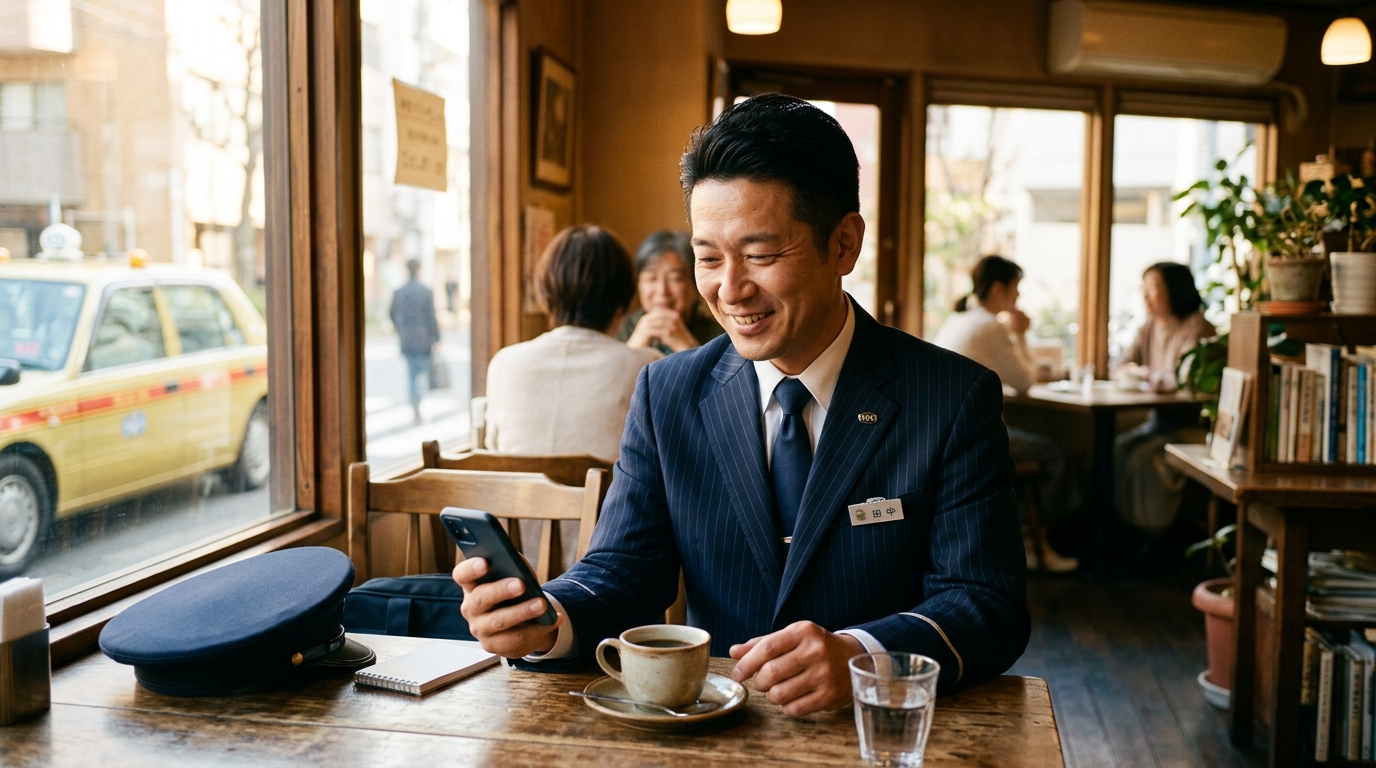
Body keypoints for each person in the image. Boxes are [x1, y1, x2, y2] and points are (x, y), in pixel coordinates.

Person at [454, 94, 1028, 715]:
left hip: (881, 734)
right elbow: (626, 566)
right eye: (708, 257)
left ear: (844, 244)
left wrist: (865, 656)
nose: (730, 289)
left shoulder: (950, 396)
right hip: (714, 733)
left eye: (760, 254)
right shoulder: (667, 392)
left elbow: (985, 602)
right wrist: (549, 619)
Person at [932, 255, 1080, 573]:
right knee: (1054, 454)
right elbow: (1025, 382)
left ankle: (1028, 538)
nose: (1018, 297)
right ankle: (1033, 541)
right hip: (968, 436)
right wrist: (1022, 334)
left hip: (942, 432)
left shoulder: (960, 318)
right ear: (999, 288)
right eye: (1016, 288)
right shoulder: (988, 325)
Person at [483, 224, 660, 463]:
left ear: (546, 295)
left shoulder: (504, 363)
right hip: (607, 501)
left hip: (518, 500)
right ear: (623, 302)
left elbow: (494, 453)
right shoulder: (648, 368)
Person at [1114, 262, 1216, 533]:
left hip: (1190, 426)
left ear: (1175, 290)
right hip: (1159, 422)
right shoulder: (1149, 327)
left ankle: (1154, 535)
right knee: (1119, 448)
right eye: (1144, 289)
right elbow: (1121, 364)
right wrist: (1149, 374)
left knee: (1143, 458)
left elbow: (1184, 379)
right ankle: (1124, 532)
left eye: (1153, 288)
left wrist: (1146, 374)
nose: (1146, 296)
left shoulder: (1198, 326)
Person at [617, 230, 725, 355]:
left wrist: (689, 349)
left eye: (675, 279)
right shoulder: (620, 328)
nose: (662, 290)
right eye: (651, 278)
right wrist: (632, 350)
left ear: (696, 286)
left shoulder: (719, 335)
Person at [389, 259, 441, 425]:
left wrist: (400, 328)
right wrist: (437, 338)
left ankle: (415, 404)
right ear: (419, 270)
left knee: (412, 374)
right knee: (421, 373)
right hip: (423, 337)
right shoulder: (425, 291)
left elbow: (391, 313)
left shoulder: (399, 291)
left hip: (407, 337)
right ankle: (419, 403)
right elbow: (431, 317)